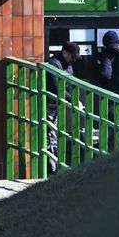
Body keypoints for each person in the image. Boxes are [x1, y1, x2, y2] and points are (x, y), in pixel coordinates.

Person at [45, 42, 81, 174]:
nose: (74, 60)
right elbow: (56, 86)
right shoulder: (53, 63)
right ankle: (51, 169)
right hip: (49, 104)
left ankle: (53, 167)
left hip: (57, 105)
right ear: (65, 53)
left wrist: (73, 99)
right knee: (50, 136)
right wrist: (73, 100)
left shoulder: (68, 66)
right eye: (73, 57)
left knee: (53, 136)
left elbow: (68, 86)